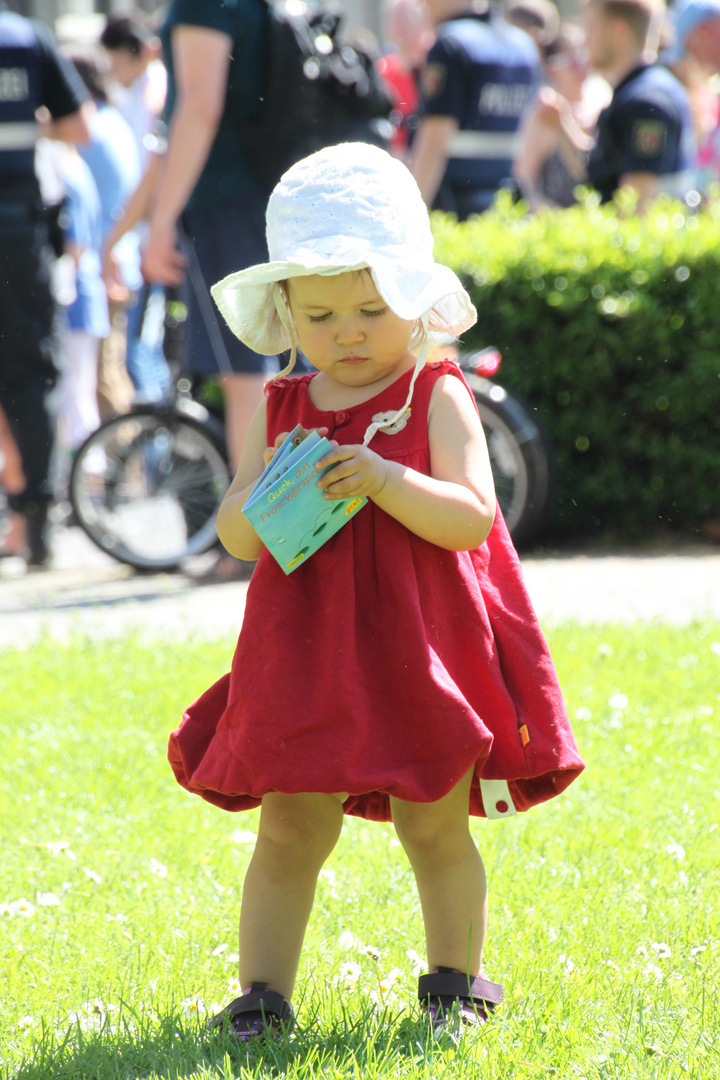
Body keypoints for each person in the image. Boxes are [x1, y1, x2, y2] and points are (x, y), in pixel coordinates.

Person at [167, 143, 585, 1040]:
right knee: (288, 828)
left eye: (369, 308)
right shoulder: (284, 406)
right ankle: (261, 1000)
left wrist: (386, 481)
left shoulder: (435, 394)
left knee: (431, 821)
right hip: (306, 653)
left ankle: (455, 982)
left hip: (414, 651)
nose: (347, 332)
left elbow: (474, 516)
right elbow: (238, 533)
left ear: (416, 300)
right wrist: (269, 492)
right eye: (319, 315)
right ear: (285, 312)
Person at [0, 2, 90, 566]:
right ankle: (35, 513)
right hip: (14, 231)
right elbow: (80, 127)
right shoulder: (25, 39)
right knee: (30, 372)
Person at [536, 0, 696, 209]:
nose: (585, 42)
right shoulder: (642, 88)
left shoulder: (646, 103)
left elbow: (634, 207)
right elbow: (601, 171)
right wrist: (561, 125)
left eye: (591, 29)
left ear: (618, 31)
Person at [410, 0, 543, 217]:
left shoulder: (450, 44)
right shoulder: (524, 46)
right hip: (505, 207)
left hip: (453, 211)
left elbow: (434, 141)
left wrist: (412, 217)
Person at [513, 22, 611, 208]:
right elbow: (524, 183)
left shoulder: (602, 94)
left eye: (583, 54)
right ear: (551, 67)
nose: (580, 64)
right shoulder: (544, 110)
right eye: (570, 58)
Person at [377, 0, 436, 159]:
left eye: (406, 18)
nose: (399, 27)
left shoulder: (437, 65)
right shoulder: (382, 71)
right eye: (394, 19)